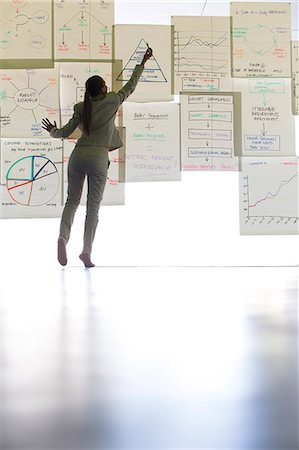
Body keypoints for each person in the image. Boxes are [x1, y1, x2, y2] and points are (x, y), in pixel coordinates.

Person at [42, 46, 153, 268]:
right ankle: (86, 252)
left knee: (72, 201)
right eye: (105, 84)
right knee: (93, 207)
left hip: (78, 155)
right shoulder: (112, 100)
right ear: (102, 88)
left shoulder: (81, 107)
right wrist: (143, 61)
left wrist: (52, 130)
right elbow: (131, 85)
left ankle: (63, 238)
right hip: (99, 158)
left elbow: (64, 133)